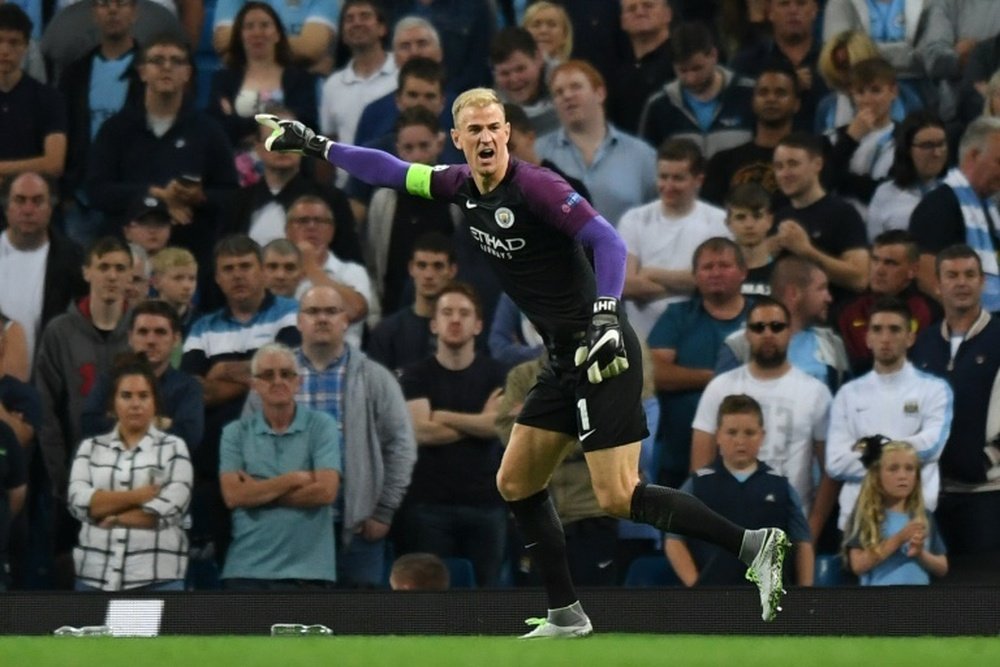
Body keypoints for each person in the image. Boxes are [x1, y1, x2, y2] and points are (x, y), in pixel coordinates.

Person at [256, 87, 791, 633]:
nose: (487, 137)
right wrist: (318, 146)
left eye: (495, 127)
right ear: (458, 140)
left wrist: (606, 316)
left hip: (602, 348)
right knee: (515, 482)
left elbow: (607, 242)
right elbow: (390, 170)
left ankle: (753, 546)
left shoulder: (537, 186)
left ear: (508, 133)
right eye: (476, 130)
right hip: (560, 358)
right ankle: (566, 614)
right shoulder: (458, 185)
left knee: (616, 495)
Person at [288, 285, 416, 587]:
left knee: (359, 627)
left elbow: (401, 447)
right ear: (298, 321)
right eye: (313, 311)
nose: (322, 319)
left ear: (346, 321)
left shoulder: (375, 377)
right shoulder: (277, 375)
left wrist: (383, 511)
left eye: (331, 311)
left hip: (358, 529)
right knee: (295, 625)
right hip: (291, 528)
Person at [692, 297, 836, 541]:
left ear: (790, 332)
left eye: (777, 326)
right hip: (727, 525)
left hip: (789, 525)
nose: (768, 333)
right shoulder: (720, 387)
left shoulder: (816, 392)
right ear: (746, 334)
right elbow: (700, 467)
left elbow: (829, 472)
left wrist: (811, 531)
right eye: (759, 327)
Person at [397, 282, 508, 588]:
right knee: (430, 604)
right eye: (447, 312)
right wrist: (479, 421)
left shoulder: (498, 374)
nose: (455, 320)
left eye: (464, 313)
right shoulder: (415, 374)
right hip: (428, 505)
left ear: (478, 325)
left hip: (487, 504)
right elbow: (421, 432)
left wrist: (443, 416)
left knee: (488, 602)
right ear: (434, 324)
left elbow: (498, 427)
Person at [909, 244, 1000, 582]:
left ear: (982, 283)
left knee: (982, 595)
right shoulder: (924, 343)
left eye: (969, 275)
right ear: (938, 285)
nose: (961, 283)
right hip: (931, 496)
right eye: (952, 275)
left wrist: (988, 460)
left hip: (988, 496)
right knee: (938, 601)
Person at [826, 296, 952, 536]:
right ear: (868, 338)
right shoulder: (848, 394)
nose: (885, 337)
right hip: (857, 523)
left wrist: (871, 451)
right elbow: (835, 463)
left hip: (914, 523)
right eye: (877, 329)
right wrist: (901, 459)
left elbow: (932, 447)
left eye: (895, 329)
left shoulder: (935, 390)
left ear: (910, 337)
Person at [219, 343, 341, 589]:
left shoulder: (322, 425)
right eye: (267, 375)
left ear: (298, 382)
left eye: (286, 374)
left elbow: (326, 492)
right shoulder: (235, 433)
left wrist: (259, 492)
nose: (277, 381)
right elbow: (233, 496)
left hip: (309, 573)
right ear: (254, 385)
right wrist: (293, 479)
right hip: (246, 571)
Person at [67, 356, 193, 591]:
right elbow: (80, 503)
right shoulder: (90, 448)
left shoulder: (175, 448)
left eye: (143, 396)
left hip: (156, 578)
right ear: (112, 404)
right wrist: (139, 496)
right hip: (94, 577)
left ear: (155, 402)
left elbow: (168, 511)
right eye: (126, 396)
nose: (135, 404)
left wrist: (114, 516)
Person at [667, 394, 814, 587]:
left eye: (749, 432)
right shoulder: (697, 485)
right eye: (732, 432)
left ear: (762, 436)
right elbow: (674, 540)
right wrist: (696, 586)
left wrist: (805, 593)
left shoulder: (780, 487)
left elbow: (802, 543)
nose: (740, 440)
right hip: (713, 600)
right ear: (718, 435)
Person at [647, 237, 751, 488]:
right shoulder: (677, 316)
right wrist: (717, 379)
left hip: (750, 452)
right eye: (707, 267)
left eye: (724, 265)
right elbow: (655, 373)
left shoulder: (762, 318)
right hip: (677, 455)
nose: (715, 272)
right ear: (695, 276)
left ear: (743, 272)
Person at [621, 138, 729, 339]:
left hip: (697, 336)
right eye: (663, 177)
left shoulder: (719, 222)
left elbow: (716, 282)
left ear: (699, 180)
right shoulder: (633, 220)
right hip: (643, 339)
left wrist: (650, 272)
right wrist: (688, 289)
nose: (668, 186)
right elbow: (626, 285)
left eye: (678, 178)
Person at [57, 0, 143, 247]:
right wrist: (67, 192)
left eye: (121, 4)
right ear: (94, 13)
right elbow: (63, 132)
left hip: (130, 199)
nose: (113, 10)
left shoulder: (150, 73)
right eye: (104, 4)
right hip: (82, 201)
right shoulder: (74, 74)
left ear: (134, 12)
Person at [535, 59, 658, 228]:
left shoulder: (642, 155)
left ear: (600, 93)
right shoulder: (538, 153)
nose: (567, 96)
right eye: (558, 92)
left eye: (576, 87)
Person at [80, 299, 205, 451]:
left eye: (160, 332)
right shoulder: (108, 380)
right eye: (143, 332)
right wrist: (160, 423)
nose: (151, 340)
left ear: (176, 339)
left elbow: (187, 438)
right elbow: (89, 425)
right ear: (130, 337)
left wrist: (120, 420)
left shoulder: (189, 387)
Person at [908, 116, 1000, 308]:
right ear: (974, 155)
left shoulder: (990, 209)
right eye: (999, 161)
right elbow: (926, 274)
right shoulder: (939, 205)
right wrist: (973, 321)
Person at [0, 172, 87, 370]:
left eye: (37, 201)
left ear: (50, 207)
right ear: (6, 207)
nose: (28, 210)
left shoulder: (73, 259)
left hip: (48, 380)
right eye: (20, 200)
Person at [772, 132, 870, 299]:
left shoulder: (843, 213)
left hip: (833, 315)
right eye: (779, 166)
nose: (785, 173)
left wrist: (807, 251)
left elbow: (860, 279)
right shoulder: (778, 215)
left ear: (817, 164)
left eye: (793, 164)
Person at [208, 2, 317, 153]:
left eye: (265, 25)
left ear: (278, 34)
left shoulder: (299, 79)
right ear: (240, 36)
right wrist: (273, 123)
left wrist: (240, 123)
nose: (257, 33)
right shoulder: (223, 80)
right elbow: (218, 128)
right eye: (249, 26)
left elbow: (305, 125)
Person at [638, 21, 754, 159]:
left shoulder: (749, 94)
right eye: (683, 71)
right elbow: (645, 162)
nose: (691, 79)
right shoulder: (659, 106)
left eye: (697, 68)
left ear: (713, 55)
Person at [843, 438, 949, 585]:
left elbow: (942, 567)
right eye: (893, 469)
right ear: (877, 476)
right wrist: (899, 539)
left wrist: (920, 554)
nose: (902, 476)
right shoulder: (867, 515)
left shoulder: (923, 516)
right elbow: (858, 565)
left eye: (909, 469)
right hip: (880, 603)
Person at [835, 230, 939, 375]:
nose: (879, 270)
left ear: (913, 270)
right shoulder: (847, 310)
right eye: (875, 260)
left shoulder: (930, 312)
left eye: (890, 263)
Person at [700, 65, 802, 207]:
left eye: (780, 93)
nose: (771, 99)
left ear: (796, 104)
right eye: (763, 93)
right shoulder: (722, 162)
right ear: (752, 101)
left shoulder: (809, 161)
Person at [365, 232, 457, 375]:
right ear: (411, 268)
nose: (429, 275)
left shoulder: (463, 329)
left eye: (438, 266)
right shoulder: (386, 333)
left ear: (452, 270)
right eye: (422, 265)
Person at [730, 0, 827, 131]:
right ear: (770, 13)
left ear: (815, 10)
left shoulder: (832, 61)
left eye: (801, 3)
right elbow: (737, 113)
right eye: (784, 4)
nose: (793, 11)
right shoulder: (747, 62)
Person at [0, 5, 67, 181]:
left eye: (13, 42)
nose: (5, 51)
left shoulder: (49, 98)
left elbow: (54, 163)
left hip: (31, 198)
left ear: (26, 46)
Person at [319, 0, 396, 150]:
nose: (357, 23)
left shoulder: (400, 72)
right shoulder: (332, 85)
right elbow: (329, 140)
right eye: (349, 19)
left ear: (382, 28)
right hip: (348, 172)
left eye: (365, 16)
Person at [827, 57, 899, 209]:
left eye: (875, 90)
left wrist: (842, 181)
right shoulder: (833, 137)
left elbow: (886, 192)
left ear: (893, 91)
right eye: (860, 92)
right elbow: (822, 182)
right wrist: (850, 139)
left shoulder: (904, 137)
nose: (867, 100)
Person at [867, 111, 948, 240]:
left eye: (941, 144)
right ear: (907, 149)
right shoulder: (885, 193)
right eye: (927, 146)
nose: (937, 153)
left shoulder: (956, 191)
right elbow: (874, 245)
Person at [213, 0, 338, 74]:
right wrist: (303, 61)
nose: (258, 35)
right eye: (250, 27)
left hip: (302, 99)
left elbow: (310, 47)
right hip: (239, 93)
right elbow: (224, 41)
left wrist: (248, 47)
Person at [606, 0, 674, 136]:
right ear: (622, 22)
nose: (639, 12)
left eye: (648, 6)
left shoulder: (681, 62)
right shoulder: (618, 75)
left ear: (668, 14)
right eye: (631, 9)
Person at [489, 27, 557, 136]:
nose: (514, 79)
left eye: (520, 69)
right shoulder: (489, 113)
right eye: (504, 73)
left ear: (538, 58)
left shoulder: (571, 91)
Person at [724, 183, 776, 296]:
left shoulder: (783, 274)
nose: (749, 224)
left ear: (770, 221)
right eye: (740, 217)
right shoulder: (719, 276)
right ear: (728, 223)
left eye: (757, 216)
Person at [149, 246, 199, 338]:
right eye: (178, 278)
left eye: (192, 278)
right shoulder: (141, 321)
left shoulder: (202, 325)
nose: (187, 286)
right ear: (156, 282)